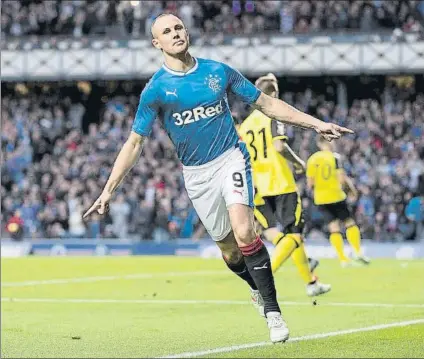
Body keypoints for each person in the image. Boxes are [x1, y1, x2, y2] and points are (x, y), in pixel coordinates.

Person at [83, 14, 353, 343]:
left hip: (231, 158)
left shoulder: (217, 71)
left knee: (244, 231)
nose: (175, 34)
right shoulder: (155, 91)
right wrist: (108, 190)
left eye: (178, 27)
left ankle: (273, 312)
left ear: (187, 31)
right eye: (166, 32)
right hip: (197, 175)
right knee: (230, 251)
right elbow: (134, 142)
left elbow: (266, 103)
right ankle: (257, 290)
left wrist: (315, 124)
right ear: (157, 43)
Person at [238, 73, 331, 298]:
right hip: (280, 183)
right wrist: (299, 163)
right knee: (295, 234)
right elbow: (279, 148)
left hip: (258, 188)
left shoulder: (245, 125)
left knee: (280, 235)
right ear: (274, 96)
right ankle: (261, 281)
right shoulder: (273, 115)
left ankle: (310, 281)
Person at [306, 137, 369, 266]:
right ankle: (357, 252)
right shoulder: (335, 157)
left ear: (319, 143)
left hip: (321, 198)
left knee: (333, 228)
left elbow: (310, 183)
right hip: (336, 195)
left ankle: (343, 259)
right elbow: (341, 179)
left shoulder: (312, 159)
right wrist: (352, 190)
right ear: (329, 142)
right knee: (349, 223)